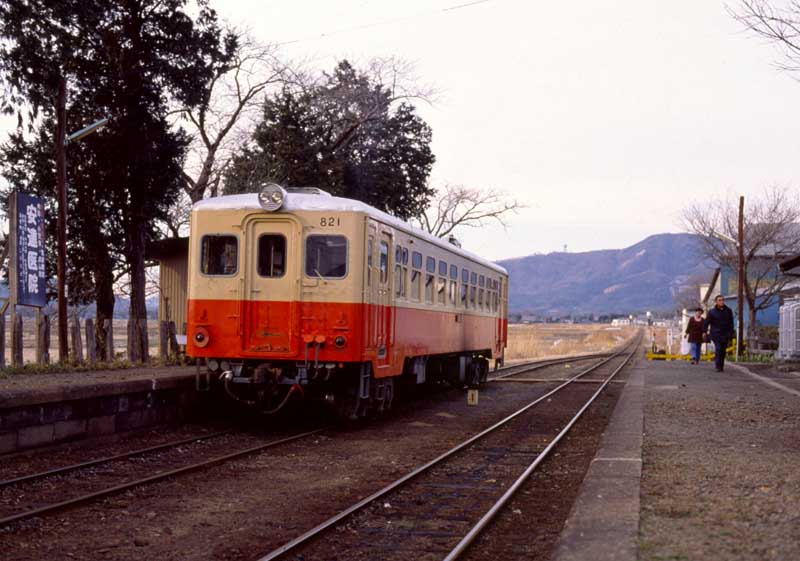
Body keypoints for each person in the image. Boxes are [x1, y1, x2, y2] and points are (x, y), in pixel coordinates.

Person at [704, 295, 735, 372]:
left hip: (725, 333)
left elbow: (731, 322)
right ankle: (717, 366)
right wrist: (704, 331)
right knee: (718, 348)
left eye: (722, 300)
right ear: (716, 302)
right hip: (716, 334)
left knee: (723, 350)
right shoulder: (712, 312)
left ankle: (721, 366)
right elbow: (707, 322)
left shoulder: (728, 310)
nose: (721, 302)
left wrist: (731, 333)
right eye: (719, 300)